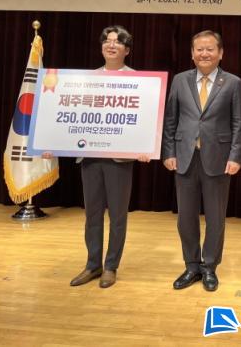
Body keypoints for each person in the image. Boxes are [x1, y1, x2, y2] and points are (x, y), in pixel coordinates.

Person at [162, 30, 241, 292]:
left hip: (218, 159)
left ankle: (209, 266)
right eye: (199, 49)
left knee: (215, 218)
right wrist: (168, 152)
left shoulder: (233, 82)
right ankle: (191, 266)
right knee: (185, 218)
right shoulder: (180, 80)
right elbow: (170, 119)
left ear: (220, 53)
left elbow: (238, 123)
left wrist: (235, 156)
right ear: (192, 53)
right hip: (185, 157)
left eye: (210, 49)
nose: (204, 54)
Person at [68, 25, 150, 289]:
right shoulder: (86, 79)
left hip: (120, 160)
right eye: (107, 40)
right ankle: (93, 264)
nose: (111, 45)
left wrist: (145, 147)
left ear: (127, 50)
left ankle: (111, 266)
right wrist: (52, 143)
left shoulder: (139, 81)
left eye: (117, 41)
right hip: (90, 157)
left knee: (117, 216)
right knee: (92, 214)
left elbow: (144, 119)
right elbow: (74, 116)